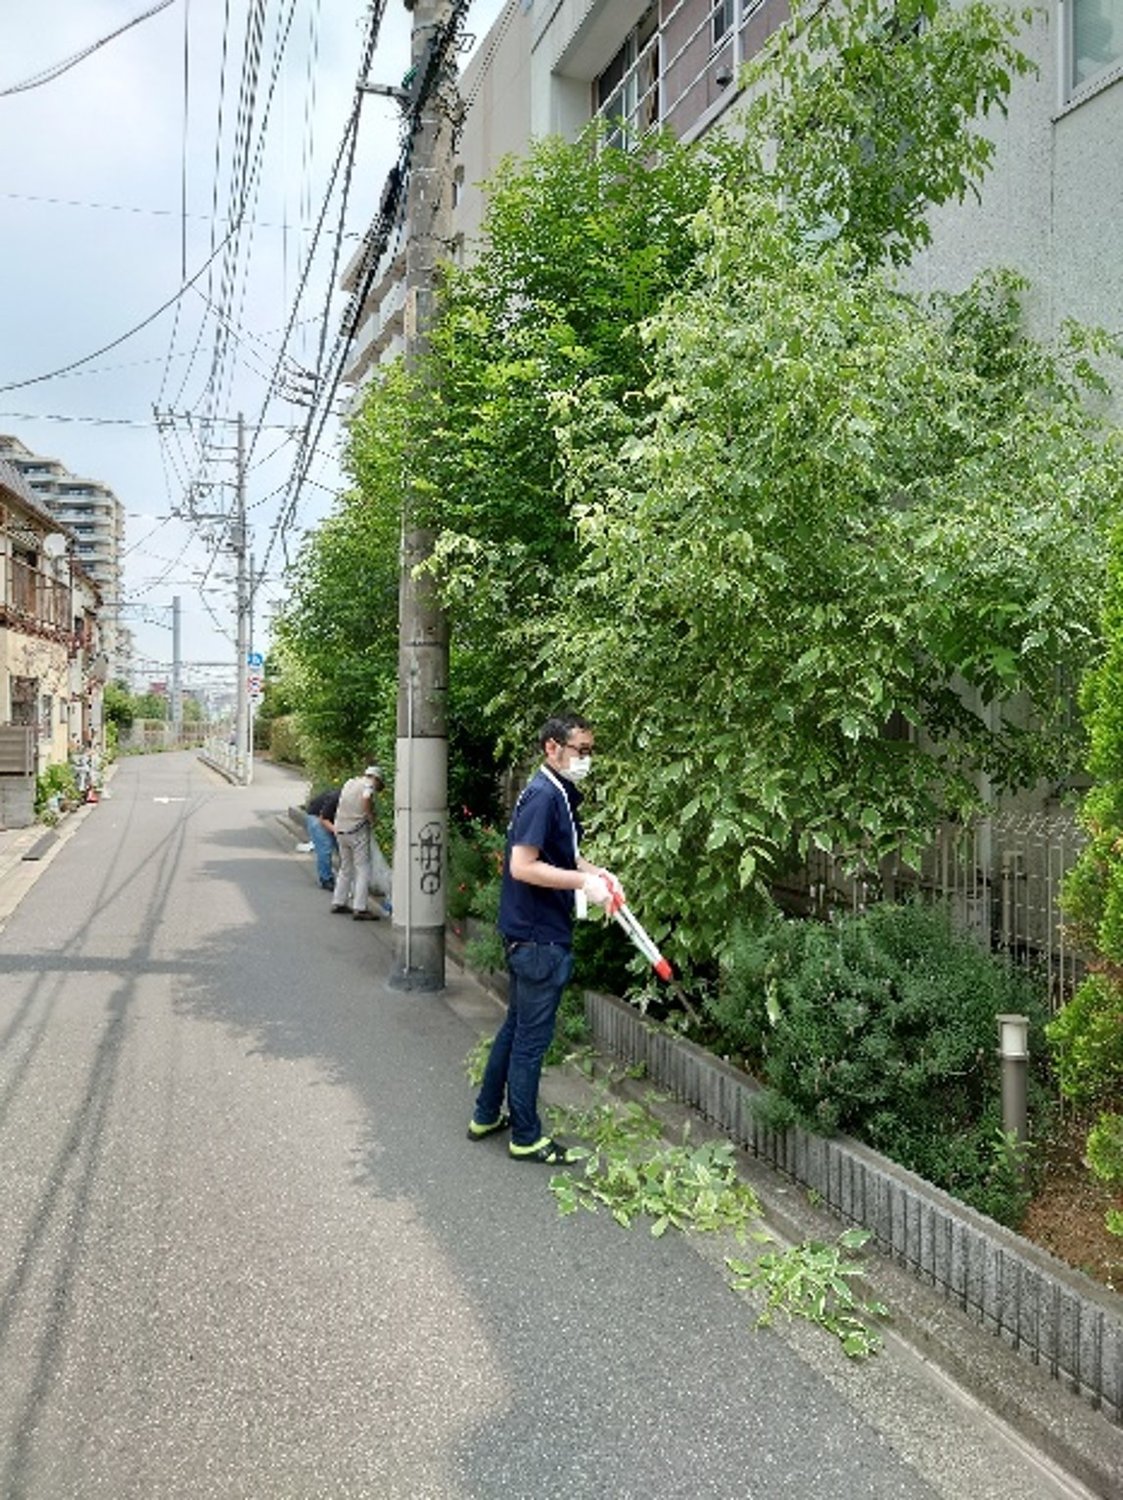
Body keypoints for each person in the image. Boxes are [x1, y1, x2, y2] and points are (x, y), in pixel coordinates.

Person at [468, 713, 623, 1164]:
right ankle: (526, 1135)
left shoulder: (556, 793)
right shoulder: (542, 795)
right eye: (581, 750)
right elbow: (522, 865)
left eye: (591, 752)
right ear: (552, 748)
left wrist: (598, 875)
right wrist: (581, 885)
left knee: (515, 1028)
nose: (586, 760)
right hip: (539, 939)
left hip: (529, 933)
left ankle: (484, 1113)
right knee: (531, 1040)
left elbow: (564, 855)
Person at [331, 765, 383, 920]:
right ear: (376, 778)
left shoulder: (350, 782)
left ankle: (338, 901)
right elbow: (366, 797)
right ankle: (360, 908)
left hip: (340, 829)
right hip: (356, 831)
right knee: (363, 868)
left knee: (345, 867)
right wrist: (370, 816)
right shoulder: (369, 785)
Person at [305, 785, 340, 890]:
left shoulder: (356, 801)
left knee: (343, 848)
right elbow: (323, 818)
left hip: (331, 819)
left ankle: (345, 880)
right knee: (325, 847)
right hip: (316, 816)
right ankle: (326, 879)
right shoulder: (336, 797)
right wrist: (337, 832)